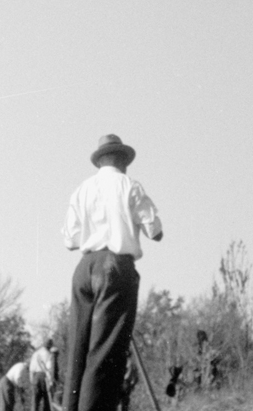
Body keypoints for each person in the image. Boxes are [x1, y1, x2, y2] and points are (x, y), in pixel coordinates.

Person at [61, 134, 163, 411]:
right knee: (106, 354)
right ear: (121, 160)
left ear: (100, 161)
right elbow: (154, 230)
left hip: (84, 268)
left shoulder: (82, 189)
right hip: (115, 268)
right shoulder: (130, 185)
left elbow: (70, 240)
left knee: (78, 350)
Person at [28, 339, 56, 411]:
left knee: (35, 402)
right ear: (50, 346)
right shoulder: (49, 354)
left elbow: (31, 369)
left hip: (35, 377)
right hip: (44, 377)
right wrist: (51, 382)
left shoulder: (35, 353)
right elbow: (49, 369)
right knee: (47, 401)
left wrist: (32, 381)